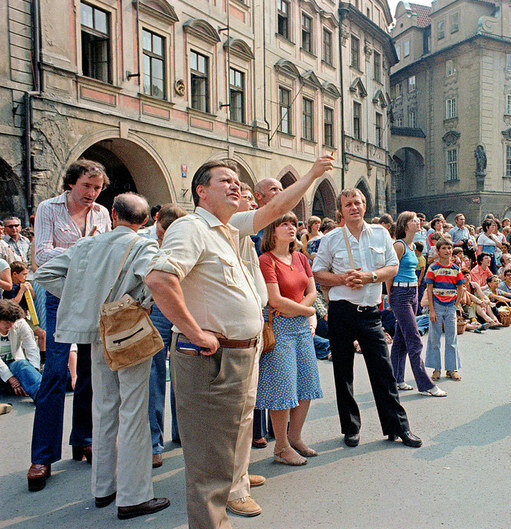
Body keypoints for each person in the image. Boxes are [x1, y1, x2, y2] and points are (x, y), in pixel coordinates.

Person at [145, 155, 334, 529]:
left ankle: (236, 486)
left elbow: (278, 205)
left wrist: (312, 174)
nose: (235, 185)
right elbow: (158, 280)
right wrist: (195, 331)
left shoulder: (231, 227)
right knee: (208, 457)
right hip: (211, 356)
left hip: (244, 352)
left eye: (237, 181)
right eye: (224, 181)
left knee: (238, 430)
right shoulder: (191, 228)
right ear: (201, 191)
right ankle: (213, 521)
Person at [34, 193, 169, 519]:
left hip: (97, 333)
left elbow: (43, 274)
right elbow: (155, 282)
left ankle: (103, 488)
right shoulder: (144, 246)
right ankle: (133, 495)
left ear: (112, 213)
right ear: (147, 220)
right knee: (134, 415)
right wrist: (137, 302)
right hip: (129, 332)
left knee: (105, 410)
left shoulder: (85, 246)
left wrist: (83, 297)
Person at [312, 188, 422, 449]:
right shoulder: (331, 239)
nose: (354, 207)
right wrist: (342, 278)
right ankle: (350, 428)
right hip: (341, 312)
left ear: (365, 206)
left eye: (358, 202)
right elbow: (318, 272)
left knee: (383, 371)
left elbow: (392, 266)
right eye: (348, 204)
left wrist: (369, 277)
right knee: (343, 372)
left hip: (370, 312)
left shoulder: (380, 233)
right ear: (341, 210)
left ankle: (398, 428)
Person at [28, 159, 112, 492]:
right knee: (55, 373)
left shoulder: (102, 214)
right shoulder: (49, 208)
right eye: (87, 186)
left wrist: (85, 250)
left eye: (98, 188)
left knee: (91, 371)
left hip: (92, 297)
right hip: (59, 295)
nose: (92, 193)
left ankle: (84, 439)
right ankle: (42, 457)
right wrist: (85, 246)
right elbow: (42, 256)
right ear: (71, 184)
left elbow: (104, 253)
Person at [258, 213, 323, 467]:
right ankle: (281, 446)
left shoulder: (301, 258)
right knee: (282, 388)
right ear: (272, 231)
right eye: (283, 224)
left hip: (299, 324)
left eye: (293, 224)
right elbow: (274, 300)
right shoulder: (266, 260)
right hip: (280, 328)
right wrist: (307, 311)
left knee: (306, 384)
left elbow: (312, 290)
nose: (290, 228)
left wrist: (302, 310)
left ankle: (294, 437)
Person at [147, 204, 187, 469]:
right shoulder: (144, 242)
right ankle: (153, 443)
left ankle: (182, 433)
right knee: (154, 376)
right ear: (156, 221)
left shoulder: (185, 238)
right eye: (163, 230)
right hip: (154, 310)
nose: (165, 236)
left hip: (183, 307)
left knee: (184, 372)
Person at [388, 212, 445, 397]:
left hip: (412, 292)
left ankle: (396, 379)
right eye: (413, 220)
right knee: (414, 339)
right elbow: (390, 272)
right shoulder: (399, 245)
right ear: (405, 225)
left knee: (401, 340)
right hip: (400, 293)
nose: (418, 222)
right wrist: (391, 296)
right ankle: (425, 384)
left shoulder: (412, 246)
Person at [425, 238, 466, 382]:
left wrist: (455, 304)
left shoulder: (456, 268)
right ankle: (436, 369)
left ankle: (451, 369)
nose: (447, 251)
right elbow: (429, 289)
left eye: (449, 248)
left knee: (451, 338)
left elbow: (461, 287)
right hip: (436, 304)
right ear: (438, 251)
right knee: (434, 338)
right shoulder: (433, 268)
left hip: (450, 306)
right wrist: (432, 310)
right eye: (444, 248)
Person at [0, 299, 41, 400]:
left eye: (12, 322)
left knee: (23, 365)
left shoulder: (20, 323)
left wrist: (33, 372)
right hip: (2, 369)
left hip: (14, 364)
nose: (10, 325)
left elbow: (31, 348)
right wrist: (11, 378)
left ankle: (42, 397)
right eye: (6, 322)